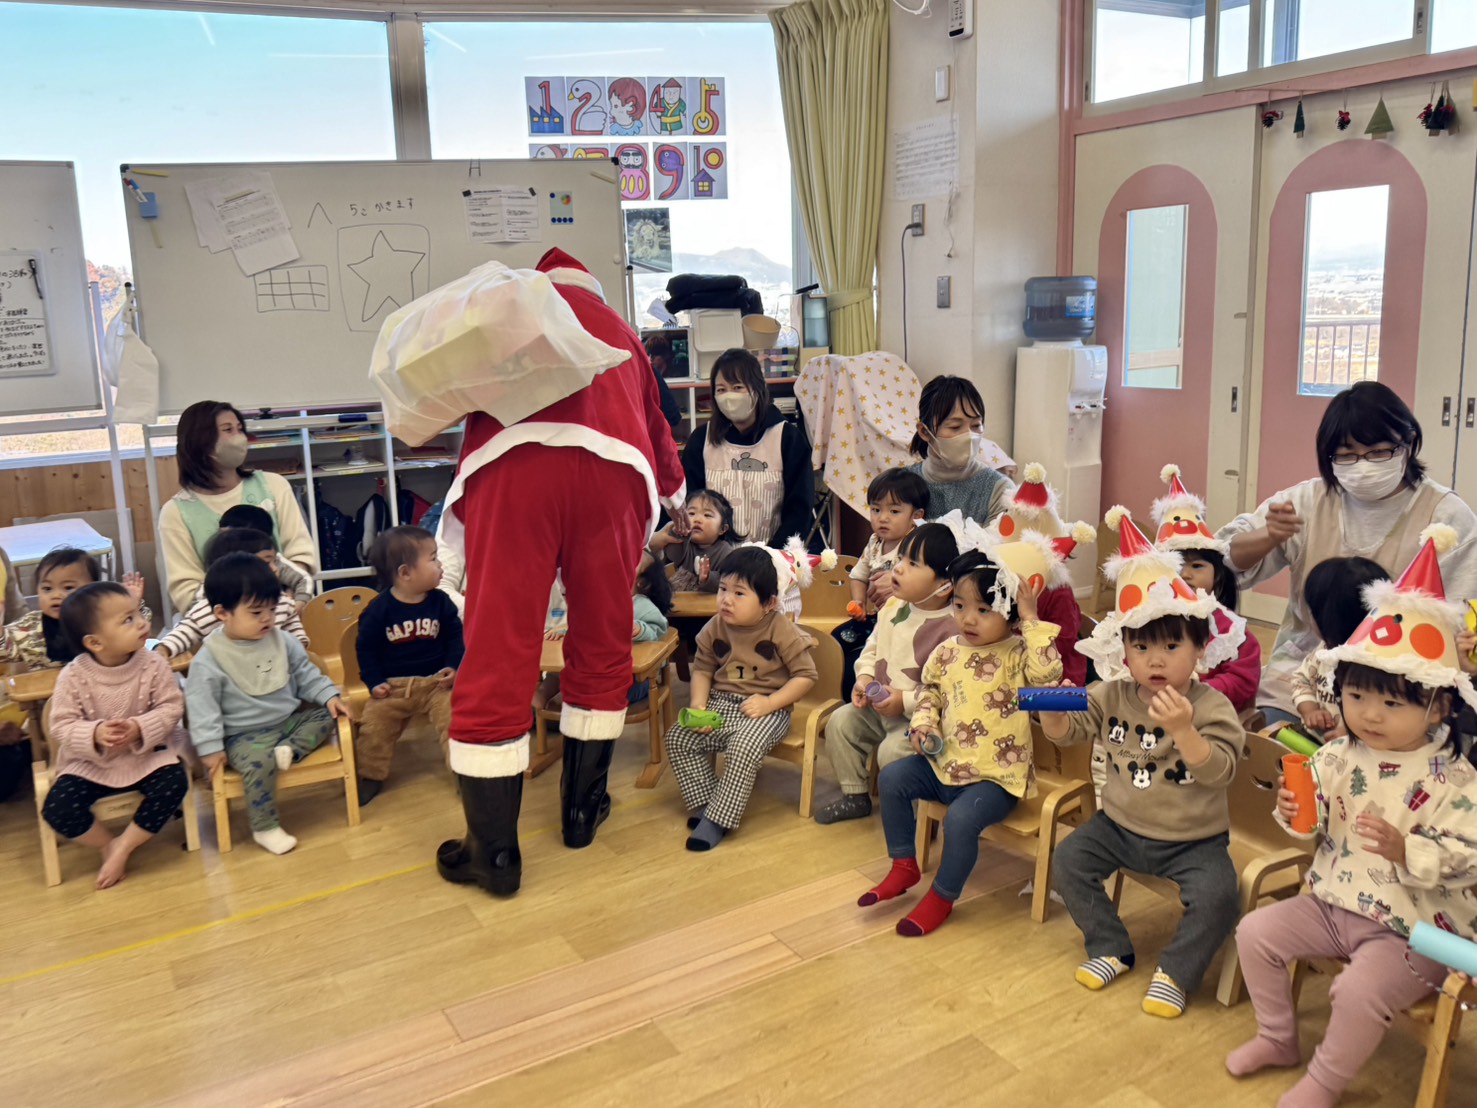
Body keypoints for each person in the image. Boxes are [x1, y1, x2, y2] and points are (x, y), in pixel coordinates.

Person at [379, 249, 686, 896]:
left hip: (513, 469)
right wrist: (671, 489)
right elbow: (659, 433)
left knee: (500, 644)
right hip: (615, 474)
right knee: (602, 637)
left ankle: (493, 853)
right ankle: (581, 813)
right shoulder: (621, 331)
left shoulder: (510, 312)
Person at [1228, 525, 1477, 1108]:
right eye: (1357, 697)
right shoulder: (1339, 754)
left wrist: (1407, 849)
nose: (1370, 715)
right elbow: (1312, 822)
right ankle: (1277, 1038)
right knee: (1255, 933)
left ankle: (1325, 1081)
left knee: (1356, 992)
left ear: (1438, 706)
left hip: (1417, 927)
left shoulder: (1457, 778)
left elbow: (1470, 856)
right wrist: (1293, 812)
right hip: (1334, 900)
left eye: (1391, 703)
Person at [1044, 508, 1245, 1019]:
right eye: (1142, 647)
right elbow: (1070, 733)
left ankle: (1176, 972)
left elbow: (1221, 772)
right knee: (1067, 861)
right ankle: (1111, 945)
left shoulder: (1212, 706)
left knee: (1221, 897)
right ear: (1124, 651)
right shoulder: (1111, 693)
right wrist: (1052, 713)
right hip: (1118, 827)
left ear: (1200, 649)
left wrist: (1185, 731)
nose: (1156, 660)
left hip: (1194, 840)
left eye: (1172, 646)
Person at [1217, 381, 1477, 725]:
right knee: (1270, 740)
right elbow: (1219, 563)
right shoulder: (1308, 500)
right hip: (1306, 673)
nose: (1363, 465)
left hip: (1402, 684)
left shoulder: (1444, 515)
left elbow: (1461, 619)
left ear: (1409, 443)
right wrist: (1268, 536)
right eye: (1346, 455)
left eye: (1379, 452)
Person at [858, 542, 1064, 936]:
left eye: (984, 610)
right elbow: (930, 694)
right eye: (959, 606)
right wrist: (924, 726)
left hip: (995, 778)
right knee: (893, 778)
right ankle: (903, 865)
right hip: (945, 764)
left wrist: (1031, 618)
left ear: (1009, 614)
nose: (968, 618)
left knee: (961, 820)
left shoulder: (1019, 653)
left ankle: (942, 896)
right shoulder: (946, 652)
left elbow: (1047, 676)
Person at [184, 553, 351, 855]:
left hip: (288, 723)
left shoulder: (283, 641)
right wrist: (209, 748)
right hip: (243, 736)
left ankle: (290, 750)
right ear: (222, 613)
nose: (268, 619)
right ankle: (265, 827)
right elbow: (201, 708)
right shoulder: (209, 659)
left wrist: (330, 696)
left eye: (272, 610)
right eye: (256, 612)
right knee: (258, 765)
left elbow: (306, 674)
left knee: (327, 716)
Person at [665, 546, 818, 851]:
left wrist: (771, 703)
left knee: (742, 746)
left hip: (768, 710)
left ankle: (717, 819)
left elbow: (806, 676)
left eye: (739, 593)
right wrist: (698, 705)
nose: (726, 599)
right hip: (721, 703)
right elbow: (703, 668)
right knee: (677, 738)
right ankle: (710, 804)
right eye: (723, 589)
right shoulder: (715, 626)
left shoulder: (780, 628)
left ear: (769, 603)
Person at [39, 582, 190, 889]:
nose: (143, 623)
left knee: (175, 783)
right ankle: (107, 844)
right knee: (57, 808)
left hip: (145, 759)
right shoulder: (73, 675)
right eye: (128, 620)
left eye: (139, 613)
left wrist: (139, 728)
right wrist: (95, 733)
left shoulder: (153, 663)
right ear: (95, 642)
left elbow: (172, 708)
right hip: (91, 765)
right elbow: (61, 725)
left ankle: (125, 846)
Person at [816, 521, 958, 824]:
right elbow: (872, 647)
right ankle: (855, 795)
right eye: (900, 559)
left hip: (921, 720)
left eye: (913, 564)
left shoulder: (953, 628)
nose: (899, 568)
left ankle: (917, 819)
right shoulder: (893, 606)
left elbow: (947, 691)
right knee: (839, 723)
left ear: (945, 585)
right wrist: (864, 677)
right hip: (878, 707)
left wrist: (904, 701)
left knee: (892, 753)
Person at [158, 400, 317, 615]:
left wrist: (285, 602)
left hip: (284, 614)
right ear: (200, 440)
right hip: (219, 623)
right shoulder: (175, 513)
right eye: (228, 430)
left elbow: (300, 555)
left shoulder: (274, 486)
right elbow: (185, 591)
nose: (240, 437)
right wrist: (240, 615)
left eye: (240, 429)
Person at [354, 526, 463, 806]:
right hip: (394, 687)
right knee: (374, 727)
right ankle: (370, 776)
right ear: (405, 573)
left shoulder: (441, 602)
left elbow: (455, 636)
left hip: (436, 684)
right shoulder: (378, 610)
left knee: (455, 722)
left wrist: (453, 666)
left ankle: (464, 775)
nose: (441, 565)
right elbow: (366, 649)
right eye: (434, 559)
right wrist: (374, 682)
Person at [680, 347, 814, 549]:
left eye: (737, 387)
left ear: (757, 389)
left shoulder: (787, 438)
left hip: (772, 556)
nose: (729, 396)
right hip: (713, 557)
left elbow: (799, 509)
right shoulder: (701, 440)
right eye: (721, 390)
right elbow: (688, 502)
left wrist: (772, 556)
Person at [1152, 464, 1260, 714]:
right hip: (1148, 712)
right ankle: (1054, 701)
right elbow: (1124, 670)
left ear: (1217, 575)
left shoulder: (1234, 634)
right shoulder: (1144, 621)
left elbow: (1242, 682)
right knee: (1075, 703)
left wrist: (1194, 693)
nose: (1185, 574)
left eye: (1197, 566)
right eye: (1176, 565)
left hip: (1207, 718)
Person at [155, 529, 309, 659]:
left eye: (275, 561)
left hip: (273, 669)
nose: (275, 569)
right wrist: (164, 649)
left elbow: (291, 622)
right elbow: (187, 629)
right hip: (229, 675)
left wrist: (300, 643)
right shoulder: (213, 607)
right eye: (266, 562)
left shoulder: (280, 599)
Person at [1289, 557, 1389, 740]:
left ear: (1326, 620)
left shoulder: (1378, 666)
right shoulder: (1323, 651)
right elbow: (1300, 680)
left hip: (1362, 748)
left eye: (1312, 612)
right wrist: (1310, 710)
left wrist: (1350, 734)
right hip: (1315, 741)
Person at [0, 548, 148, 669]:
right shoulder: (29, 627)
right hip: (49, 692)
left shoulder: (104, 616)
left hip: (103, 686)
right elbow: (7, 652)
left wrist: (133, 605)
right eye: (47, 589)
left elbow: (137, 632)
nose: (56, 595)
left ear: (92, 589)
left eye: (68, 588)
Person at [904, 375, 1015, 526]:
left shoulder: (1000, 490)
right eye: (955, 427)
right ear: (924, 431)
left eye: (976, 425)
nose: (968, 436)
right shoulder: (901, 485)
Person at [846, 468, 929, 618]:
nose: (883, 518)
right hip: (879, 617)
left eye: (894, 511)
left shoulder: (918, 544)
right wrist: (859, 601)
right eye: (876, 510)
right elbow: (858, 576)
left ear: (916, 516)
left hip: (908, 618)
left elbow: (926, 582)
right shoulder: (875, 542)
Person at [218, 503, 314, 609]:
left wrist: (297, 606)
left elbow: (304, 580)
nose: (222, 542)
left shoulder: (274, 562)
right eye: (221, 536)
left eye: (230, 538)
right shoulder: (222, 565)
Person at [647, 489, 740, 593]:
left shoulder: (725, 551)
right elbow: (673, 554)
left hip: (708, 600)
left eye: (707, 515)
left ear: (722, 529)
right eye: (691, 513)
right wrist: (676, 530)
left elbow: (728, 581)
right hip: (679, 597)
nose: (697, 519)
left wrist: (708, 577)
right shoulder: (685, 542)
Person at [642, 334, 684, 430]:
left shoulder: (675, 371)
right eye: (649, 355)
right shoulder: (652, 373)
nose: (651, 359)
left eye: (654, 356)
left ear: (664, 356)